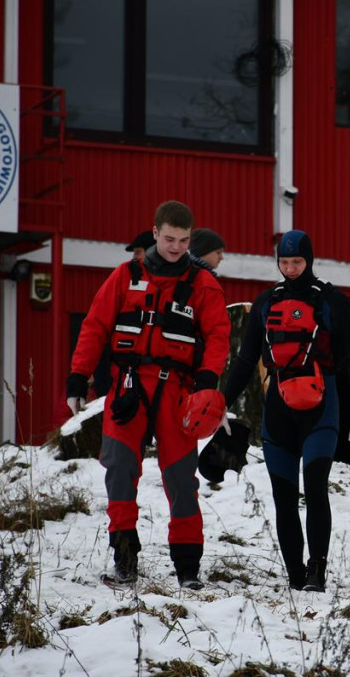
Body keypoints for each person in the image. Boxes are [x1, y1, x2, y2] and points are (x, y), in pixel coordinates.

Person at [66, 201, 231, 589]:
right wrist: (78, 377)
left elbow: (219, 337)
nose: (176, 247)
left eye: (184, 240)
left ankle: (188, 569)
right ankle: (125, 562)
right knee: (120, 472)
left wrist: (208, 381)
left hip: (178, 391)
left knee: (180, 479)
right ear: (155, 233)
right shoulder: (125, 276)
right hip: (127, 387)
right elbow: (94, 326)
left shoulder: (203, 284)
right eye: (170, 238)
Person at [222, 229, 350, 592]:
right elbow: (244, 361)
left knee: (315, 487)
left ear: (310, 260)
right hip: (279, 409)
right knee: (283, 497)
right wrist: (221, 404)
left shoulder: (333, 301)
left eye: (297, 262)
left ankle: (317, 571)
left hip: (323, 405)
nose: (290, 269)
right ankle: (294, 575)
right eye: (284, 262)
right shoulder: (264, 303)